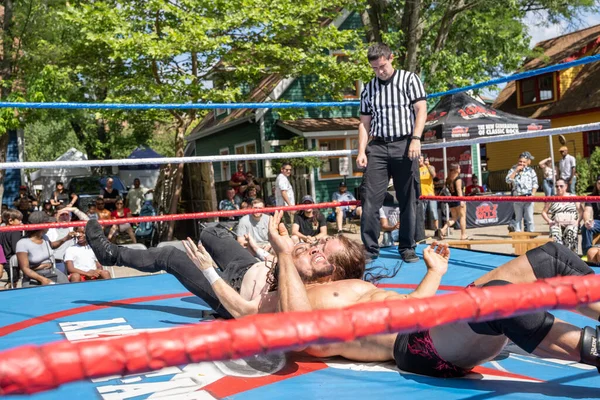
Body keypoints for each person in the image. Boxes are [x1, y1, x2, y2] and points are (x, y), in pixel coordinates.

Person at [184, 210, 600, 377]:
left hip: (437, 318)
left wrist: (434, 275)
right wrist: (280, 255)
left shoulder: (351, 288)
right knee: (498, 298)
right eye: (310, 246)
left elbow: (404, 306)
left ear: (334, 270)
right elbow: (300, 332)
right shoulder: (294, 304)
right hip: (419, 345)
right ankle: (592, 349)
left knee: (550, 257)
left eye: (318, 249)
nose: (309, 247)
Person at [85, 217, 365, 319]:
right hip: (248, 266)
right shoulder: (308, 261)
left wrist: (208, 271)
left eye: (322, 254)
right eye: (322, 243)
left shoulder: (302, 295)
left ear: (334, 275)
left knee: (171, 255)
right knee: (211, 230)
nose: (316, 247)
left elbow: (248, 312)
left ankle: (112, 254)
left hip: (230, 292)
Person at [356, 43, 427, 263]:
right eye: (375, 68)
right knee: (370, 198)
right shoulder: (368, 88)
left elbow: (421, 110)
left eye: (383, 66)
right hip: (377, 147)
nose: (380, 71)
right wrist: (361, 151)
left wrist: (415, 139)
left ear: (391, 58)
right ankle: (370, 249)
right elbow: (364, 123)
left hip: (405, 144)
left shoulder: (409, 80)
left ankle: (407, 247)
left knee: (408, 198)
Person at [16, 211, 75, 286]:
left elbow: (52, 246)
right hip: (34, 277)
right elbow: (25, 269)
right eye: (48, 223)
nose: (50, 225)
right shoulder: (22, 243)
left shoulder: (44, 237)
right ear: (41, 226)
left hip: (51, 272)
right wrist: (42, 279)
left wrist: (66, 238)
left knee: (66, 287)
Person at [541, 179, 581, 253]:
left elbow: (581, 212)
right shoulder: (552, 198)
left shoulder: (573, 197)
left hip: (571, 223)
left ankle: (571, 257)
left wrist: (577, 221)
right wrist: (549, 221)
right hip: (557, 224)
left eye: (561, 186)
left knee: (571, 232)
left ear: (566, 186)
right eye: (557, 186)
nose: (558, 188)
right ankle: (557, 257)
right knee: (555, 235)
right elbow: (544, 212)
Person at [506, 154, 538, 232]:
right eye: (520, 161)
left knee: (529, 218)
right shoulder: (512, 170)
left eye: (524, 162)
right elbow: (507, 180)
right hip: (517, 198)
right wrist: (515, 171)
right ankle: (518, 235)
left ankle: (531, 235)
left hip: (528, 197)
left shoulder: (531, 171)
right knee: (518, 219)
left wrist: (533, 194)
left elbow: (535, 183)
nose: (522, 163)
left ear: (527, 162)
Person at [438, 163, 468, 240]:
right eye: (459, 168)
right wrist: (462, 200)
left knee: (454, 218)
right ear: (456, 170)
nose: (460, 169)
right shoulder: (458, 179)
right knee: (462, 217)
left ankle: (443, 229)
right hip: (458, 199)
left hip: (451, 200)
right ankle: (463, 235)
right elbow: (459, 190)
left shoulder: (448, 179)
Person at [0, 209, 23, 288]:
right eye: (19, 220)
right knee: (14, 282)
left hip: (4, 261)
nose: (21, 222)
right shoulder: (15, 231)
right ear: (10, 221)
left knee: (11, 280)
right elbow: (16, 248)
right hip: (12, 262)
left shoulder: (1, 231)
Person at [419, 156, 438, 233]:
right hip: (421, 195)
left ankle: (437, 230)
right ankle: (421, 231)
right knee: (421, 214)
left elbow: (434, 175)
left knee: (433, 212)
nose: (419, 160)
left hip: (430, 194)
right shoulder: (416, 169)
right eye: (418, 159)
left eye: (420, 159)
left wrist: (427, 165)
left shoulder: (430, 167)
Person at [582, 175, 600, 254]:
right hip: (598, 222)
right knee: (586, 227)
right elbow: (587, 211)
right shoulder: (591, 197)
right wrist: (587, 221)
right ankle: (587, 253)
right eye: (599, 183)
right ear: (596, 184)